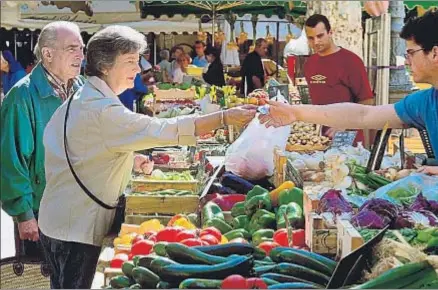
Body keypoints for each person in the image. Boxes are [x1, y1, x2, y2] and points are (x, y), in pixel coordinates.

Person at [38, 25, 256, 289]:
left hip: (57, 218)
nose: (138, 69)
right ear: (106, 66)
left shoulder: (84, 95)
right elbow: (164, 129)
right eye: (130, 61)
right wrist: (223, 117)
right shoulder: (102, 109)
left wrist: (128, 159)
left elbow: (71, 145)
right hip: (75, 229)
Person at [260, 10, 438, 176]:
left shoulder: (350, 60)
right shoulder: (423, 101)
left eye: (411, 53)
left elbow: (366, 103)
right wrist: (296, 112)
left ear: (435, 53)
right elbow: (364, 114)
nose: (407, 61)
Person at [0, 21, 85, 259]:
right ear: (47, 54)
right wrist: (24, 214)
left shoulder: (81, 88)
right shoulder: (21, 96)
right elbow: (10, 160)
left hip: (79, 205)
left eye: (81, 48)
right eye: (72, 48)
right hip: (42, 211)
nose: (80, 55)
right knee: (42, 278)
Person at [303, 14, 374, 144]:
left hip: (348, 139)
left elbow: (367, 101)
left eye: (320, 36)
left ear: (330, 33)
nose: (316, 42)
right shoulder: (309, 64)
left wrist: (344, 124)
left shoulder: (351, 61)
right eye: (311, 38)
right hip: (319, 140)